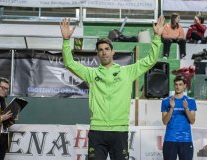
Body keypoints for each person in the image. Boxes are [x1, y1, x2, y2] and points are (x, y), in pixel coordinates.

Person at [60, 16, 165, 160]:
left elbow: (150, 61)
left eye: (107, 49)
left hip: (119, 131)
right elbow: (70, 64)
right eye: (101, 50)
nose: (104, 52)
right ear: (97, 54)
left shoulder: (127, 72)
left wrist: (157, 37)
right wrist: (66, 41)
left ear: (113, 52)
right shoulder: (92, 74)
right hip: (97, 130)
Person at [161, 75, 197, 160]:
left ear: (184, 86)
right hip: (170, 139)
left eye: (180, 84)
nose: (178, 86)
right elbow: (165, 121)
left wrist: (186, 109)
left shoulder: (191, 101)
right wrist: (171, 108)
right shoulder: (166, 101)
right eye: (176, 84)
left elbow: (192, 121)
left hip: (186, 139)